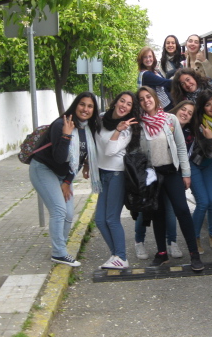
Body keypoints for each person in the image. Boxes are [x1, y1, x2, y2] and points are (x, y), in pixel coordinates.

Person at [29, 92, 101, 267]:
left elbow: (79, 159)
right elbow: (60, 158)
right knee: (59, 210)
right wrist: (66, 135)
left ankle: (60, 247)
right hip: (43, 169)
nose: (85, 109)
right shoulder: (61, 125)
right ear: (76, 105)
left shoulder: (87, 129)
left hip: (64, 174)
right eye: (82, 104)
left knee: (69, 214)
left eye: (90, 106)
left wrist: (68, 182)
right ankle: (59, 253)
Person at [136, 86, 204, 271]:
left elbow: (181, 148)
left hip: (172, 172)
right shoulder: (139, 124)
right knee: (158, 214)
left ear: (155, 98)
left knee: (182, 210)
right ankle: (162, 253)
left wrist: (186, 173)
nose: (146, 101)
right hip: (152, 175)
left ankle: (194, 254)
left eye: (148, 96)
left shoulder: (170, 119)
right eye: (141, 99)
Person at [95, 92, 139, 270]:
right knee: (100, 220)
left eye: (129, 104)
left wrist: (119, 129)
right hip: (102, 173)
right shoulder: (100, 119)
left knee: (111, 218)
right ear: (115, 102)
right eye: (122, 101)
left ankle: (121, 257)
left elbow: (110, 150)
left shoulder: (127, 128)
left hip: (117, 174)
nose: (124, 106)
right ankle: (116, 256)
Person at [175, 93, 212, 253]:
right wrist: (210, 139)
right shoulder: (198, 123)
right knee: (203, 202)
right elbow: (209, 152)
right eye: (208, 105)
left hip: (207, 165)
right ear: (202, 108)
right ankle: (194, 238)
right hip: (193, 164)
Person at [137, 46, 173, 111]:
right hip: (162, 108)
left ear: (153, 58)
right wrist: (180, 79)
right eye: (145, 57)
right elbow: (165, 82)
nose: (148, 59)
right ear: (141, 60)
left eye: (150, 56)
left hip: (166, 103)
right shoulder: (146, 74)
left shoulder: (155, 72)